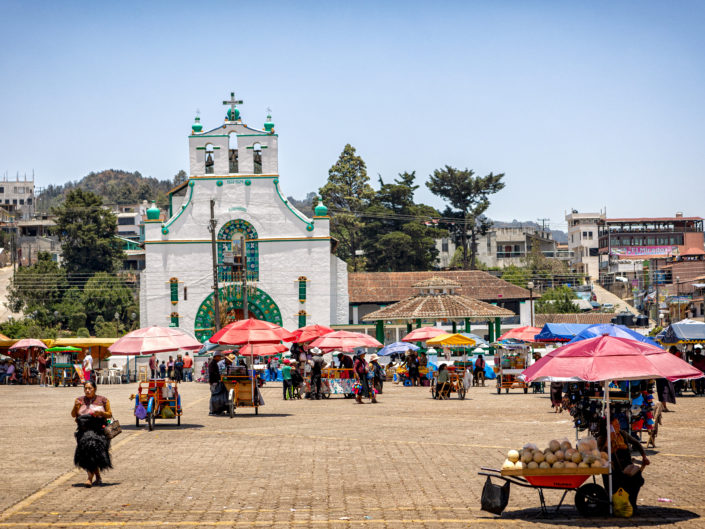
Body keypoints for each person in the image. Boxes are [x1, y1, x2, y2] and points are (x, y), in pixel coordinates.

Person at [597, 417, 650, 512]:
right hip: (613, 470)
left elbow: (636, 443)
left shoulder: (622, 434)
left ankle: (632, 503)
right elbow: (599, 454)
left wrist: (644, 456)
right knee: (633, 480)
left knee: (638, 479)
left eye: (618, 424)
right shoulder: (601, 438)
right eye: (615, 425)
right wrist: (608, 441)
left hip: (627, 466)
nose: (618, 426)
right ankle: (628, 503)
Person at [71, 381, 112, 487]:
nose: (87, 390)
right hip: (84, 432)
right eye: (85, 388)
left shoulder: (103, 400)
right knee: (87, 455)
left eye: (90, 388)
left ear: (95, 389)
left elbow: (109, 414)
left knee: (95, 454)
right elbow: (73, 415)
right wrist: (75, 407)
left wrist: (101, 413)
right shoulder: (79, 400)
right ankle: (96, 477)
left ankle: (90, 478)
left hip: (98, 432)